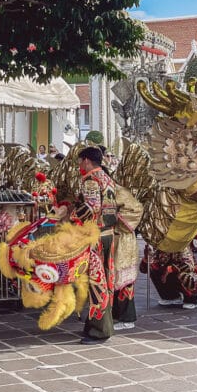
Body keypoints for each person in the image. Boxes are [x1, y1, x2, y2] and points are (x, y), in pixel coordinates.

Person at [74, 146, 118, 343]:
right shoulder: (107, 178)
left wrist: (72, 214)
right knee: (106, 280)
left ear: (86, 161)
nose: (78, 166)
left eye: (79, 161)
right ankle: (100, 324)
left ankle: (99, 330)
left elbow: (92, 208)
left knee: (96, 282)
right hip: (109, 234)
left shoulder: (91, 180)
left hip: (96, 236)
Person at [142, 244, 197, 310]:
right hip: (170, 274)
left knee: (183, 274)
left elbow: (188, 266)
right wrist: (146, 258)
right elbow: (143, 270)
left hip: (190, 277)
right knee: (152, 267)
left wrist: (170, 269)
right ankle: (171, 296)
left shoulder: (183, 247)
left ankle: (191, 299)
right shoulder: (159, 248)